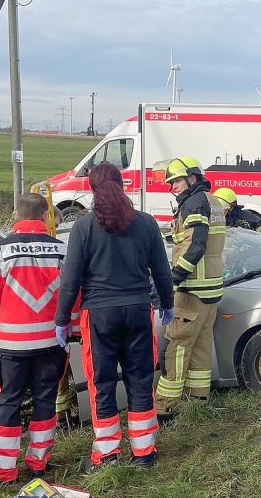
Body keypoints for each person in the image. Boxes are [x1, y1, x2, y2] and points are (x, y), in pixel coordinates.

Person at [55, 162, 174, 471]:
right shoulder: (147, 224)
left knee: (102, 383)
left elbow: (71, 281)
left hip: (98, 317)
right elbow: (162, 271)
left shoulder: (82, 228)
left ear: (92, 190)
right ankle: (144, 453)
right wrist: (168, 302)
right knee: (140, 380)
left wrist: (61, 318)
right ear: (122, 185)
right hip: (138, 311)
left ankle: (107, 455)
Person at [0, 194, 76, 484]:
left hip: (12, 347)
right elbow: (74, 296)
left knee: (9, 402)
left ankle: (4, 472)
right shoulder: (62, 250)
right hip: (51, 342)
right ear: (45, 216)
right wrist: (74, 329)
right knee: (46, 399)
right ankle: (38, 463)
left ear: (17, 215)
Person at [155, 157, 226, 416]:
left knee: (178, 347)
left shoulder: (194, 203)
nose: (173, 187)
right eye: (170, 183)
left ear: (192, 178)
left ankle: (164, 407)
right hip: (212, 289)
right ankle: (197, 402)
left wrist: (172, 279)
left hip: (192, 289)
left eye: (176, 181)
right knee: (201, 347)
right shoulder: (212, 200)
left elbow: (196, 245)